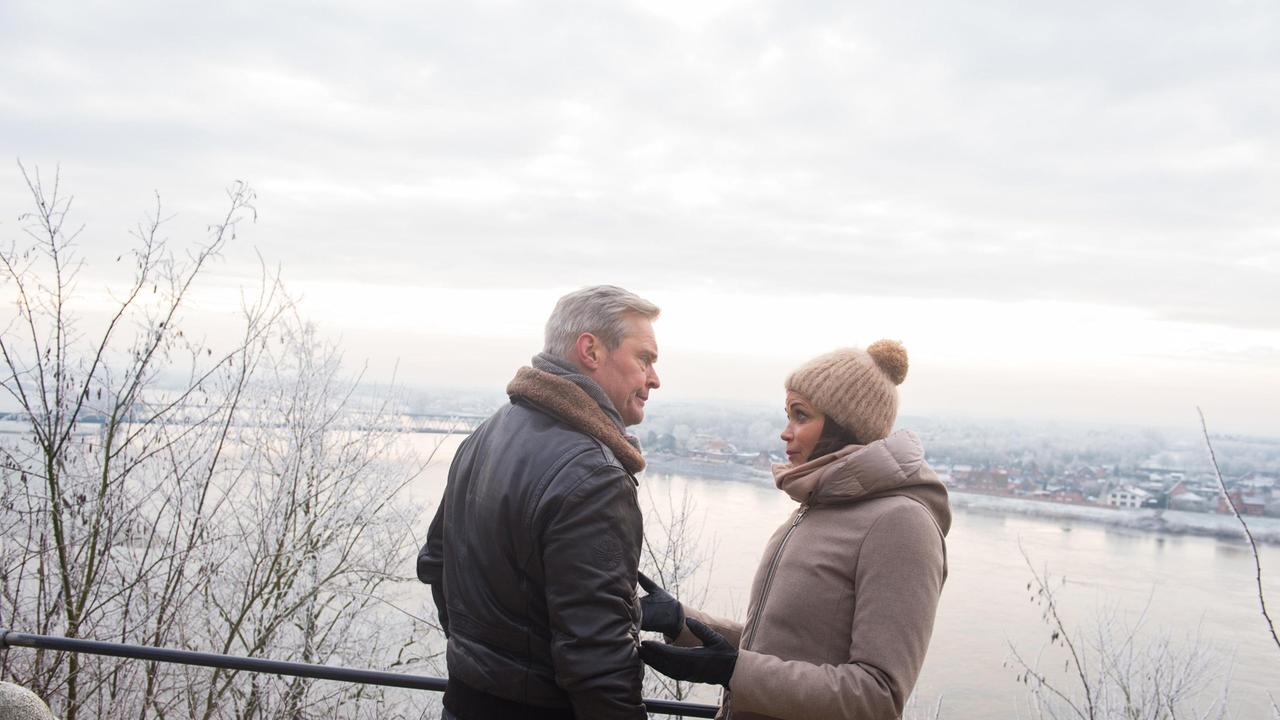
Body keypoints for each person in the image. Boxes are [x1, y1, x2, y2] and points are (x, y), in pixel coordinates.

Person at [638, 340, 950, 720]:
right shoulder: (816, 506)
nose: (786, 432)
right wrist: (681, 621)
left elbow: (877, 696)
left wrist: (732, 670)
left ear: (843, 424)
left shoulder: (901, 524)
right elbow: (780, 647)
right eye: (788, 414)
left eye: (801, 416)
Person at [418, 285, 661, 720]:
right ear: (591, 350)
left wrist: (485, 663)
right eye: (644, 358)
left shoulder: (487, 433)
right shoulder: (594, 474)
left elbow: (435, 564)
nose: (654, 379)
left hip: (462, 702)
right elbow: (598, 654)